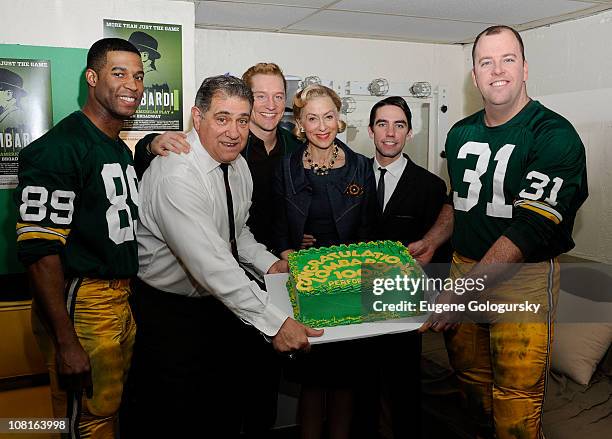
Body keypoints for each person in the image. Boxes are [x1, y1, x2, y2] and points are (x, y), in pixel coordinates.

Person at [410, 25, 588, 438]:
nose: (497, 70)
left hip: (521, 280)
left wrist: (461, 292)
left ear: (524, 69)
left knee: (515, 400)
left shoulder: (553, 135)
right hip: (463, 266)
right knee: (471, 389)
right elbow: (460, 201)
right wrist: (434, 239)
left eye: (508, 59)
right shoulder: (460, 133)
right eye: (485, 62)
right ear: (474, 76)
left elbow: (530, 228)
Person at [129, 75, 322, 436]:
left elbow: (236, 235)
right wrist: (275, 321)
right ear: (196, 117)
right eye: (222, 118)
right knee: (172, 416)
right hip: (168, 315)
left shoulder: (237, 166)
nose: (233, 132)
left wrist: (271, 264)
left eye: (242, 120)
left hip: (213, 308)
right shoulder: (176, 175)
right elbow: (213, 262)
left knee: (217, 411)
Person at [14, 38, 144, 437]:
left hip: (118, 297)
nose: (132, 85)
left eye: (138, 76)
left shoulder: (117, 147)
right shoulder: (60, 149)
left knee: (107, 409)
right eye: (118, 73)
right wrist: (66, 340)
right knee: (84, 418)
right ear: (92, 77)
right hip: (82, 299)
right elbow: (40, 251)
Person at [273, 84, 376, 439]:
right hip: (305, 283)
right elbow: (273, 226)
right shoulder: (285, 167)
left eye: (328, 116)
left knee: (345, 381)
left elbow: (369, 230)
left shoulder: (362, 168)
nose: (322, 125)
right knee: (313, 381)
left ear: (339, 119)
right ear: (299, 123)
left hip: (349, 283)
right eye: (312, 118)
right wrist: (289, 248)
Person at [368, 96, 451, 438]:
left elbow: (441, 254)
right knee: (362, 393)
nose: (390, 133)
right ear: (371, 131)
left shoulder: (430, 187)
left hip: (405, 309)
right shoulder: (350, 176)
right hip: (355, 308)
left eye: (399, 125)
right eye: (383, 124)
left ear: (410, 132)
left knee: (404, 393)